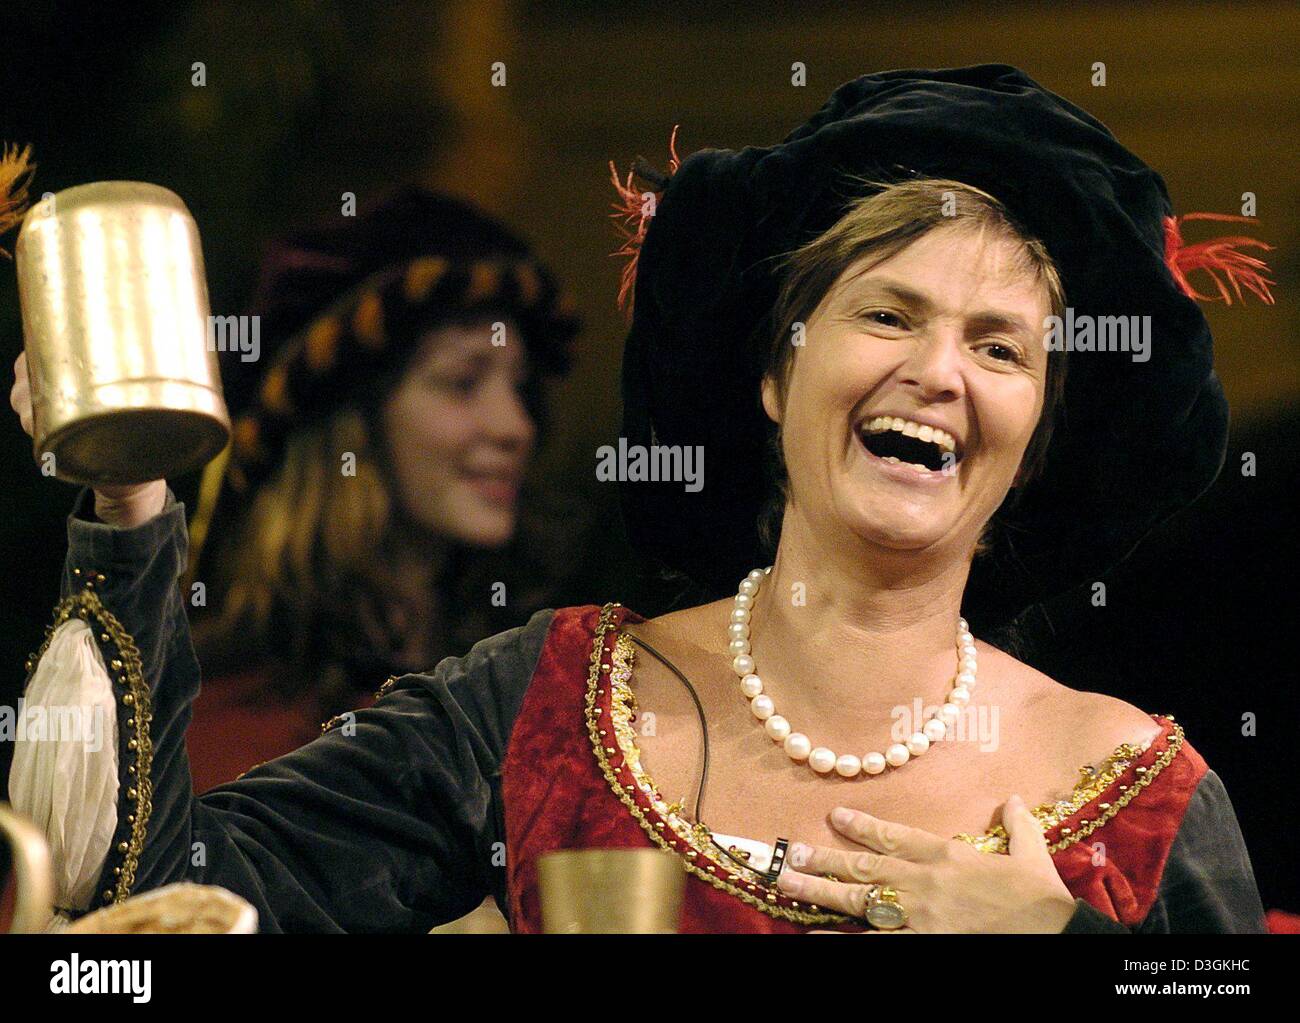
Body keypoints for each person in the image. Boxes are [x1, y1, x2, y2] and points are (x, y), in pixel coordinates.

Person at [8, 66, 1272, 932]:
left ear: (1033, 433)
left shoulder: (1142, 793)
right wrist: (128, 500)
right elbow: (152, 908)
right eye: (887, 314)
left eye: (1000, 349)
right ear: (777, 376)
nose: (938, 372)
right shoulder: (541, 704)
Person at [178, 188, 583, 793]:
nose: (516, 426)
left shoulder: (546, 692)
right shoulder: (219, 732)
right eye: (462, 382)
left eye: (519, 388)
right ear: (351, 426)